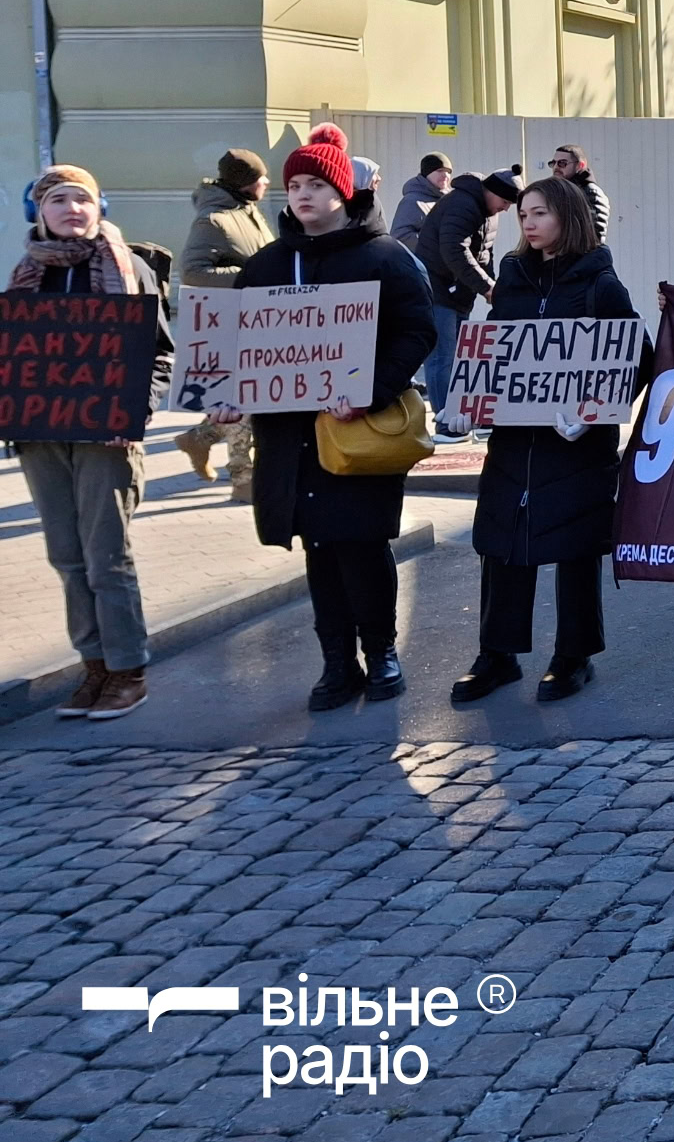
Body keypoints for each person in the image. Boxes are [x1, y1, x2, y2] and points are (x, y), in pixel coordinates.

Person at [232, 124, 438, 711]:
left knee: (362, 545)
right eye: (294, 184)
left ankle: (382, 655)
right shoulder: (267, 265)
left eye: (316, 183)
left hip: (356, 431)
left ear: (343, 192)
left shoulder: (384, 258)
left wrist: (369, 391)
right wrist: (225, 392)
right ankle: (336, 665)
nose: (302, 194)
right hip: (290, 436)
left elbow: (416, 331)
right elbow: (237, 344)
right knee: (319, 549)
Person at [450, 177, 642, 706]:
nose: (528, 224)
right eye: (523, 216)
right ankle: (497, 654)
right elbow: (494, 347)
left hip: (575, 444)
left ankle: (573, 656)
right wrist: (470, 396)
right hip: (515, 441)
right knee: (501, 542)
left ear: (567, 216)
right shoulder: (509, 277)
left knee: (576, 547)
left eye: (538, 214)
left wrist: (591, 409)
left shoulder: (600, 282)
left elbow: (635, 353)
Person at [12, 165, 175, 719]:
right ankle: (94, 666)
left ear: (99, 207)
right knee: (66, 556)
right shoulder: (24, 276)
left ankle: (128, 669)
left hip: (107, 438)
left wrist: (137, 408)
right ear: (39, 212)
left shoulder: (128, 268)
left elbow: (158, 353)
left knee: (107, 557)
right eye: (58, 200)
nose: (71, 209)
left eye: (81, 199)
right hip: (41, 437)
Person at [172, 148, 272, 500]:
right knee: (239, 399)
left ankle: (196, 440)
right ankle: (243, 481)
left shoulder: (248, 211)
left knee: (249, 399)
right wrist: (248, 277)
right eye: (261, 177)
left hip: (257, 321)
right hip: (229, 324)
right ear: (246, 183)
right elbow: (194, 272)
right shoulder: (212, 220)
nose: (267, 182)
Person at [416, 166, 518, 433]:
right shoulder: (462, 204)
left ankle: (465, 414)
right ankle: (446, 422)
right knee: (442, 357)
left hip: (459, 292)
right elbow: (454, 250)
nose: (506, 209)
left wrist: (494, 285)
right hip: (439, 290)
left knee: (462, 357)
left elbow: (485, 253)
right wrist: (487, 287)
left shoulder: (486, 211)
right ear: (492, 192)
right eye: (505, 202)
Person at [548, 144, 612, 243]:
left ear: (580, 165)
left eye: (562, 163)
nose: (556, 167)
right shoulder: (557, 192)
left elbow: (594, 235)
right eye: (553, 163)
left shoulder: (591, 192)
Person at [391, 153, 451, 250]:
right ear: (427, 173)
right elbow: (400, 237)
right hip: (424, 263)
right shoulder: (412, 201)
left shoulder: (450, 200)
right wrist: (438, 243)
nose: (445, 175)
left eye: (448, 172)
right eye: (440, 171)